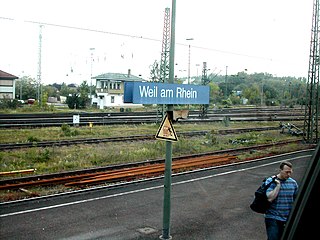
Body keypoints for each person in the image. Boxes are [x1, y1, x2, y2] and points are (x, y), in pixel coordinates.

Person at [264, 161, 298, 240]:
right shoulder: (271, 181)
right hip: (273, 217)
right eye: (286, 172)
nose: (289, 174)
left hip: (286, 218)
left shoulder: (293, 183)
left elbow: (296, 200)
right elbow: (270, 198)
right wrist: (278, 186)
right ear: (280, 170)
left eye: (290, 172)